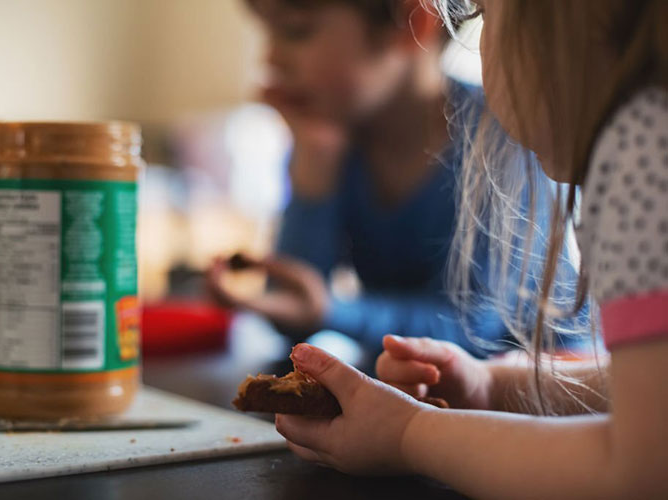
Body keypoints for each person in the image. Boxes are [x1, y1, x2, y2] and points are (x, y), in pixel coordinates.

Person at [273, 1, 668, 498]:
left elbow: (642, 468)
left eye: (485, 14)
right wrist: (493, 386)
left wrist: (407, 434)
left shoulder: (640, 151)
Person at [208, 0, 585, 358]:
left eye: (296, 31)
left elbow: (472, 329)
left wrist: (332, 310)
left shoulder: (501, 138)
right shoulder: (335, 138)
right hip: (417, 390)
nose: (270, 58)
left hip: (542, 395)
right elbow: (292, 317)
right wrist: (314, 159)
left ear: (412, 21)